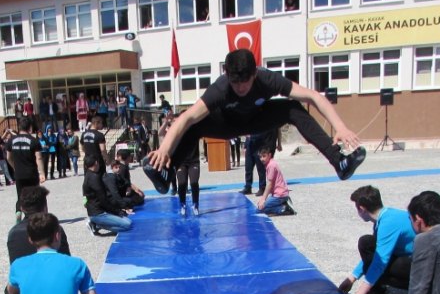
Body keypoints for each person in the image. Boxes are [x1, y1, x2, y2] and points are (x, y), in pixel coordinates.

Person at [144, 49, 366, 194]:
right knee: (197, 123)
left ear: (254, 75)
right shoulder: (221, 88)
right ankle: (167, 173)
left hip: (258, 119)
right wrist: (164, 148)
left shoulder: (268, 79)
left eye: (245, 83)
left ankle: (339, 162)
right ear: (227, 75)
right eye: (235, 83)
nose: (240, 88)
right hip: (228, 123)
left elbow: (314, 96)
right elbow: (186, 117)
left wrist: (341, 127)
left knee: (293, 107)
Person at [336, 185, 415, 294]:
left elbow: (379, 262)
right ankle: (376, 291)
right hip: (410, 257)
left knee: (370, 250)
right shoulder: (386, 216)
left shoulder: (387, 224)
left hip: (420, 265)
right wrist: (352, 278)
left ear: (361, 209)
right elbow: (377, 253)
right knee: (368, 243)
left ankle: (417, 288)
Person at [6, 186, 70, 294]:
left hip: (27, 292)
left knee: (11, 289)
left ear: (22, 208)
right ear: (45, 206)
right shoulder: (56, 230)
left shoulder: (14, 234)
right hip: (55, 292)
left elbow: (15, 272)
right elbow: (65, 262)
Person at [7, 117, 46, 221]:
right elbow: (38, 157)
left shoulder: (11, 140)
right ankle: (34, 216)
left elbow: (8, 157)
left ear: (19, 127)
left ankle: (18, 212)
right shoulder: (33, 141)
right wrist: (42, 173)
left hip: (19, 174)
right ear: (30, 127)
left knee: (20, 195)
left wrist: (15, 167)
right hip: (31, 173)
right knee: (34, 195)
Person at [83, 155, 133, 235]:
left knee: (127, 221)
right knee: (127, 224)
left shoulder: (88, 176)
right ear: (96, 163)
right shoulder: (95, 179)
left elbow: (85, 196)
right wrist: (118, 212)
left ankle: (97, 223)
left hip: (96, 210)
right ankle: (97, 225)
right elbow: (104, 200)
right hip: (98, 213)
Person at [256, 147, 295, 216]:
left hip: (280, 195)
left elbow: (269, 184)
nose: (262, 159)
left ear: (269, 155)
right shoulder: (270, 164)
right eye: (260, 157)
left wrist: (263, 199)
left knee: (259, 209)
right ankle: (282, 204)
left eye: (264, 156)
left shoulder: (271, 166)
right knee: (261, 206)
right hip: (280, 194)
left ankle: (283, 208)